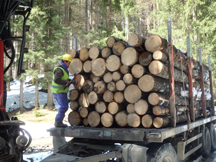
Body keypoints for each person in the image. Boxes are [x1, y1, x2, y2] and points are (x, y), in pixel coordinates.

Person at [52, 54, 75, 127]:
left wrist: (70, 81)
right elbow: (57, 80)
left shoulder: (63, 69)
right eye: (69, 62)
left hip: (61, 91)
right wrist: (66, 83)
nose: (70, 64)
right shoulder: (59, 69)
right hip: (59, 91)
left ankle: (58, 122)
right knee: (64, 106)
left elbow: (63, 79)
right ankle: (58, 122)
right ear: (65, 62)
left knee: (64, 106)